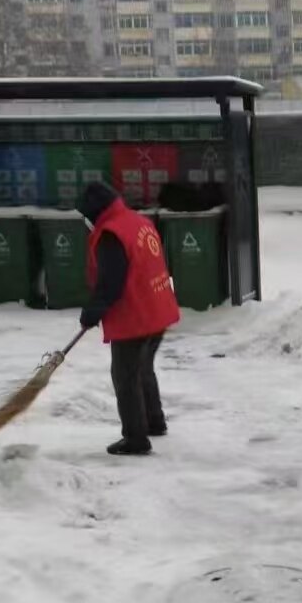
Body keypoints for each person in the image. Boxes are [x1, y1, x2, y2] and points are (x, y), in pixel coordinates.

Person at [76, 182, 181, 457]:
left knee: (125, 376)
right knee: (143, 367)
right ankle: (154, 421)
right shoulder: (138, 221)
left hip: (136, 312)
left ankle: (135, 438)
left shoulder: (111, 233)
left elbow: (110, 281)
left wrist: (92, 312)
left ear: (95, 212)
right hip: (158, 305)